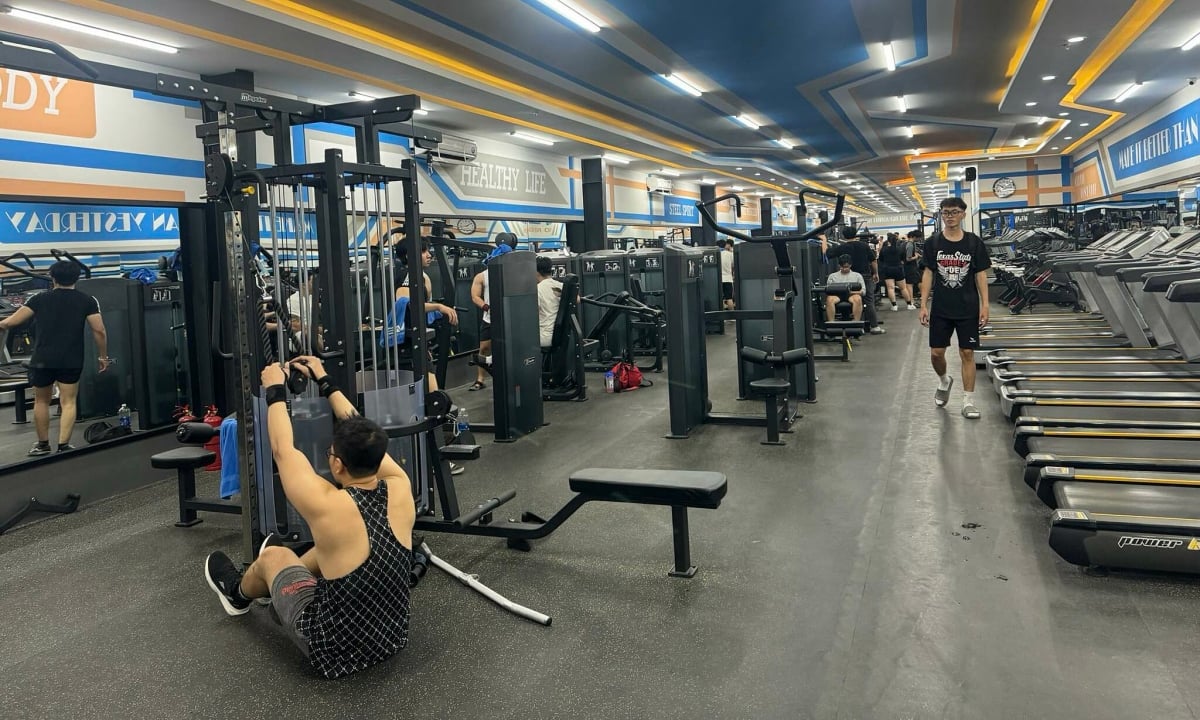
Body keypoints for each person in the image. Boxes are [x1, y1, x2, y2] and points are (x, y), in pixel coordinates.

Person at [203, 356, 415, 680]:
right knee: (328, 547)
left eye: (331, 453)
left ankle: (238, 594)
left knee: (275, 556)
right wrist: (325, 380)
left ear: (339, 466)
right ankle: (279, 590)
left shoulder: (327, 505)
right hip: (392, 637)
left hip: (333, 652)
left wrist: (274, 389)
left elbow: (282, 449)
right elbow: (363, 431)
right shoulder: (400, 488)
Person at [0, 261, 109, 455]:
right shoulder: (88, 300)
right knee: (68, 401)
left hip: (43, 359)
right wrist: (103, 357)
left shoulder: (39, 299)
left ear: (53, 277)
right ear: (77, 278)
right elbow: (99, 331)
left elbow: (9, 323)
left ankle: (42, 445)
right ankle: (63, 445)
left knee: (41, 401)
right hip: (71, 359)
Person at [919, 197, 991, 419]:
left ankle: (968, 401)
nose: (949, 216)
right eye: (945, 212)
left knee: (967, 352)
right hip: (941, 307)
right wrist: (922, 304)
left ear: (962, 214)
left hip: (967, 306)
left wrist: (985, 304)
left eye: (954, 211)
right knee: (936, 353)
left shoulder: (973, 243)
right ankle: (944, 380)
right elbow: (929, 273)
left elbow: (980, 274)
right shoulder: (933, 243)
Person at [394, 238, 459, 392]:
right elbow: (405, 303)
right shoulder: (408, 276)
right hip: (407, 343)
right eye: (424, 251)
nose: (429, 255)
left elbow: (421, 306)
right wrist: (438, 306)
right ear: (410, 255)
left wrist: (438, 309)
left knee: (431, 389)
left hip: (419, 338)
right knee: (432, 392)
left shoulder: (421, 276)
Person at [468, 233, 518, 391]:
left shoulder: (514, 272)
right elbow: (475, 296)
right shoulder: (482, 275)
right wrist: (486, 307)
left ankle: (515, 376)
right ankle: (480, 380)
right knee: (484, 349)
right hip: (490, 318)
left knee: (514, 348)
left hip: (511, 316)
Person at [830, 229, 883, 334]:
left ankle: (848, 324)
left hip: (848, 276)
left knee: (847, 298)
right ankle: (874, 327)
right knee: (869, 301)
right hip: (864, 275)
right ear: (855, 235)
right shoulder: (864, 246)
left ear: (844, 236)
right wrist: (875, 273)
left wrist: (823, 240)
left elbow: (827, 254)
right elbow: (873, 261)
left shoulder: (841, 247)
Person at [877, 232, 914, 311]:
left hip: (887, 269)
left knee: (890, 288)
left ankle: (894, 306)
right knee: (903, 288)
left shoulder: (884, 249)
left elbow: (880, 259)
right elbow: (902, 258)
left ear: (888, 241)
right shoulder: (899, 249)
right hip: (898, 268)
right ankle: (909, 304)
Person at [824, 255, 865, 322]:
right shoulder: (832, 276)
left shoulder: (857, 276)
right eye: (842, 267)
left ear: (850, 265)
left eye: (846, 267)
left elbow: (863, 291)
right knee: (829, 299)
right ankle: (831, 323)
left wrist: (850, 292)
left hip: (852, 295)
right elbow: (829, 290)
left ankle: (856, 322)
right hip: (837, 296)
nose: (844, 269)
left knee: (858, 298)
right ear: (839, 266)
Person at [536, 255, 564, 347]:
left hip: (544, 337)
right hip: (560, 335)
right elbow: (577, 299)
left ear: (536, 272)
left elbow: (531, 315)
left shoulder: (537, 290)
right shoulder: (561, 286)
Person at [904, 230, 923, 301]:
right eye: (919, 238)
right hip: (909, 267)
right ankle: (911, 299)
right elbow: (908, 258)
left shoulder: (913, 244)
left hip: (914, 266)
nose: (919, 239)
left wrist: (918, 255)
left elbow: (913, 253)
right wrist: (916, 257)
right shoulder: (909, 245)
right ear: (914, 237)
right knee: (909, 283)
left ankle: (922, 296)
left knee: (919, 281)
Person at [719, 238, 735, 311]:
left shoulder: (720, 254)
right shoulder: (731, 255)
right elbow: (733, 267)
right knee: (729, 298)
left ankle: (722, 317)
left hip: (719, 279)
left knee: (720, 298)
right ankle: (732, 316)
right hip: (728, 279)